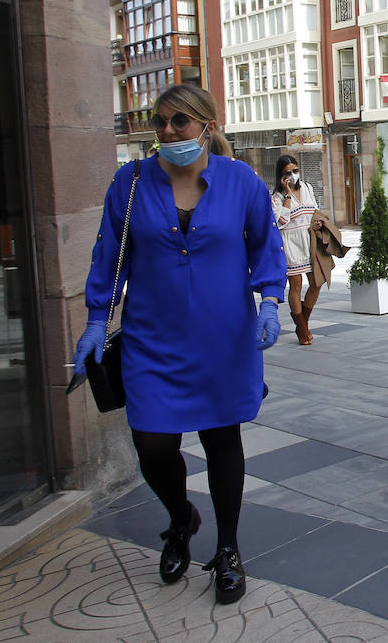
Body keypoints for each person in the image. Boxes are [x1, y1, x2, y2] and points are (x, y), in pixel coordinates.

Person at [73, 84, 285, 605]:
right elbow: (110, 257)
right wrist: (98, 319)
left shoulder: (240, 182)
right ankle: (180, 518)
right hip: (152, 340)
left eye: (179, 122)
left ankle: (229, 549)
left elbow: (266, 246)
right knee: (153, 443)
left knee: (221, 441)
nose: (166, 130)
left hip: (222, 339)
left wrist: (271, 301)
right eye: (160, 120)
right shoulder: (130, 182)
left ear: (206, 126)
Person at [271, 155, 322, 345]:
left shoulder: (307, 188)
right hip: (291, 243)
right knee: (296, 286)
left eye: (295, 170)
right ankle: (302, 329)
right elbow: (280, 222)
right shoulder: (276, 198)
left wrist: (317, 222)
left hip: (309, 241)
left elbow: (315, 210)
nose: (293, 175)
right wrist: (286, 196)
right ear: (281, 176)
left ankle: (302, 323)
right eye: (288, 173)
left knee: (316, 283)